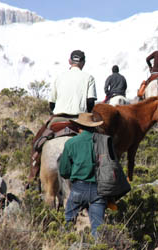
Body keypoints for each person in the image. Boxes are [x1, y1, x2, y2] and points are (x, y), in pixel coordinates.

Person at [27, 50, 97, 185]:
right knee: (101, 145)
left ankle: (32, 177)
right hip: (79, 119)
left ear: (70, 61)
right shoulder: (89, 77)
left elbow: (51, 103)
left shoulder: (59, 77)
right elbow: (90, 103)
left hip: (58, 118)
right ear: (83, 63)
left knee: (37, 143)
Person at [59, 113, 106, 238]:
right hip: (99, 190)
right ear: (94, 127)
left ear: (79, 127)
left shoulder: (71, 143)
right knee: (98, 229)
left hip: (78, 189)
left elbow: (64, 171)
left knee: (68, 222)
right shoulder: (104, 142)